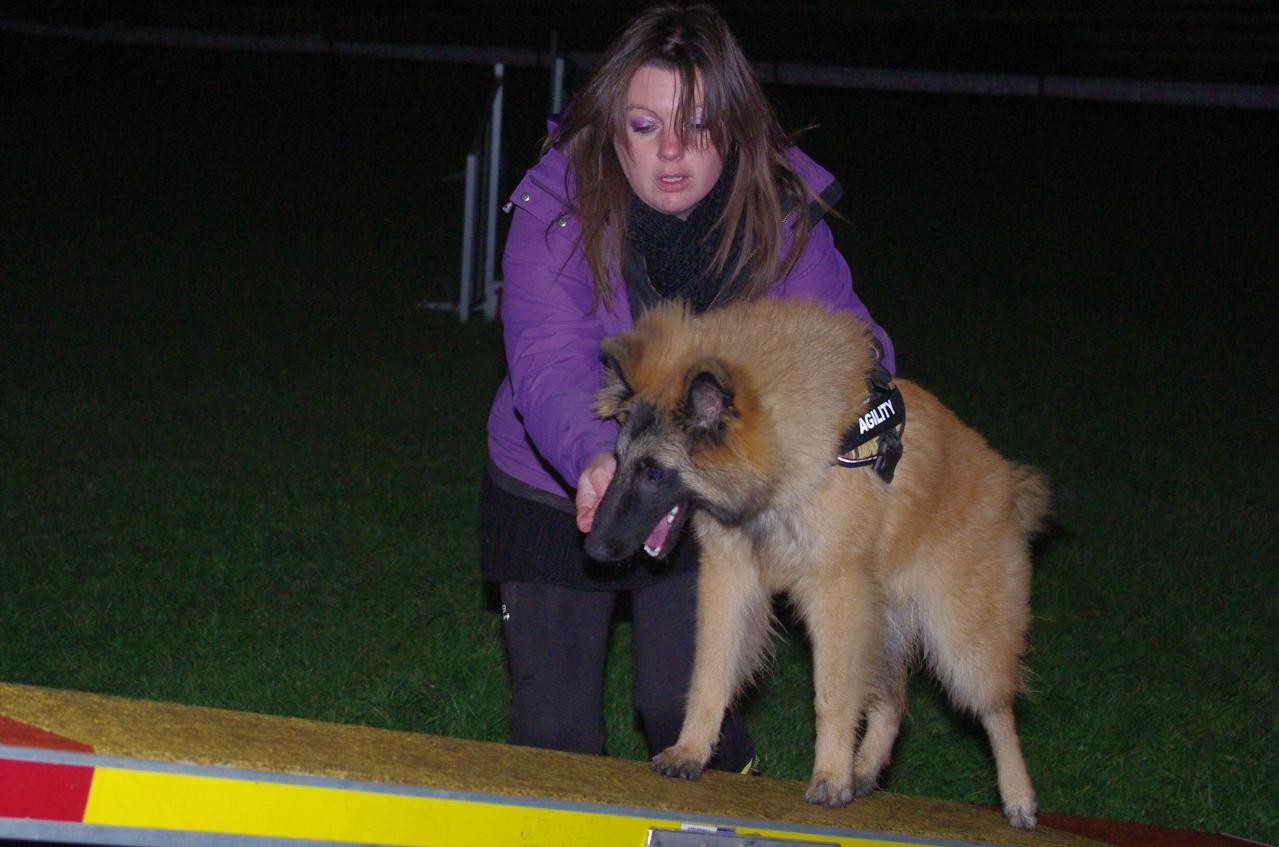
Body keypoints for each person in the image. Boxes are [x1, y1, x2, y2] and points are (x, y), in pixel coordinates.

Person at [480, 3, 895, 772]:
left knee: (683, 717)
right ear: (611, 128)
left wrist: (874, 409)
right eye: (644, 127)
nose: (671, 153)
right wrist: (594, 457)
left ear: (735, 126)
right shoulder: (556, 208)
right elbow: (546, 355)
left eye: (697, 125)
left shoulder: (778, 216)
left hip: (703, 494)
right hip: (554, 477)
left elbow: (855, 343)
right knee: (553, 736)